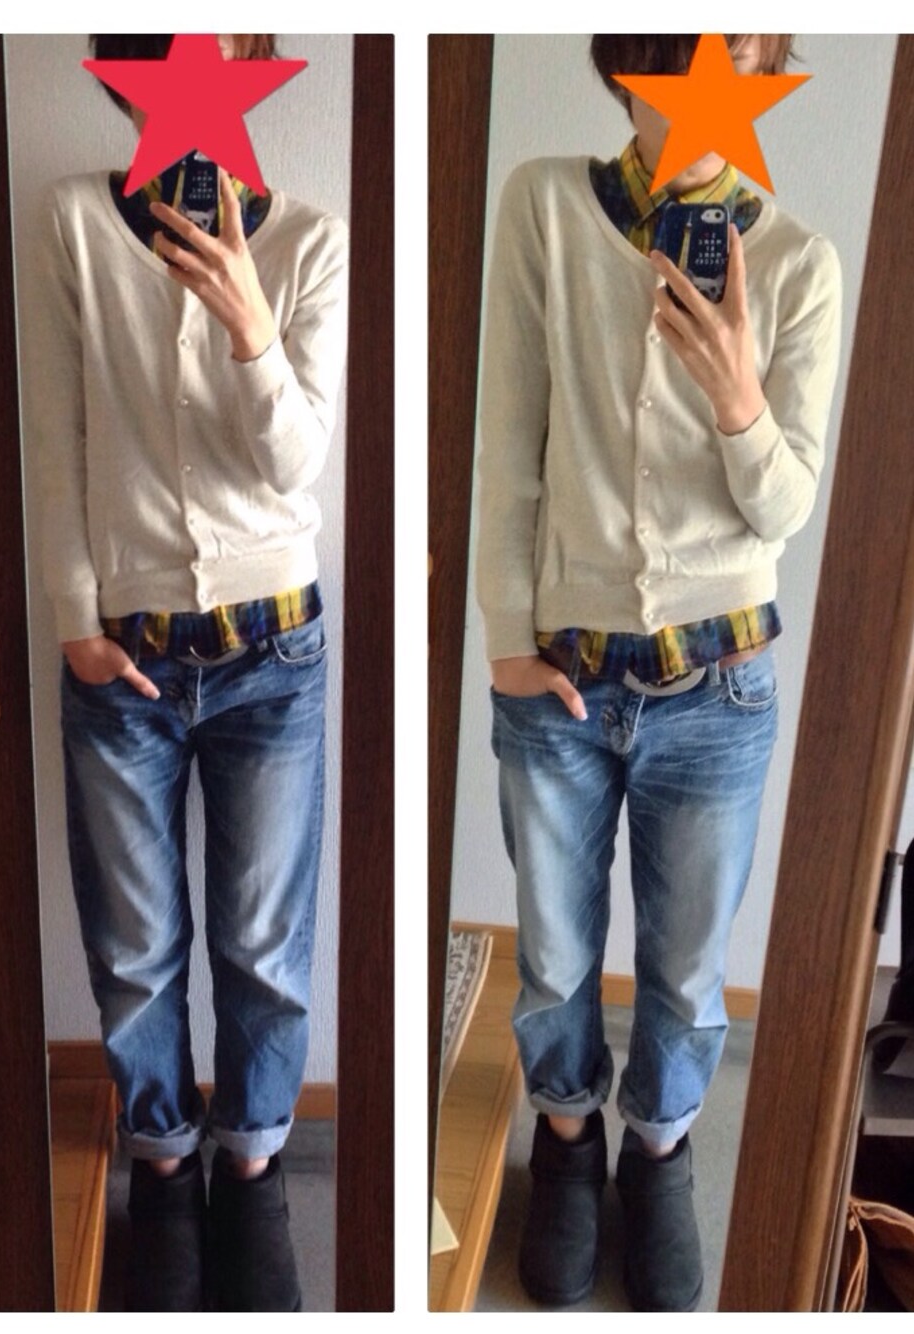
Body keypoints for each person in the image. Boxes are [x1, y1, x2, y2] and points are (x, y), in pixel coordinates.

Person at [477, 34, 841, 1312]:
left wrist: (738, 395)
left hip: (718, 688)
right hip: (561, 680)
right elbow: (509, 439)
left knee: (686, 970)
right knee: (555, 954)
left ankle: (661, 1152)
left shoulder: (796, 264)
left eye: (740, 41)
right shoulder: (542, 204)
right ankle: (567, 1146)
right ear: (626, 54)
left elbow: (782, 510)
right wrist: (505, 639)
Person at [30, 33, 348, 1312]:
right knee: (135, 943)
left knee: (264, 943)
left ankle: (253, 1166)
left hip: (275, 651)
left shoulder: (310, 240)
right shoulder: (72, 221)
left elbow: (295, 465)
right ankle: (162, 1165)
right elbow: (53, 427)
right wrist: (72, 615)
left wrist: (250, 325)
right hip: (125, 655)